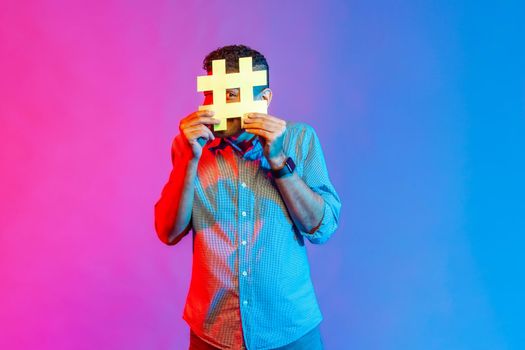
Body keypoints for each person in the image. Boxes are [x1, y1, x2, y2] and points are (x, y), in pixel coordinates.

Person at [154, 45, 341, 350]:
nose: (215, 106)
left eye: (230, 95)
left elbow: (323, 228)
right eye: (210, 95)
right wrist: (187, 161)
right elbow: (167, 232)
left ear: (264, 99)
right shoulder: (191, 148)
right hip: (213, 334)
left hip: (289, 331)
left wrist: (279, 160)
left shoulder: (300, 138)